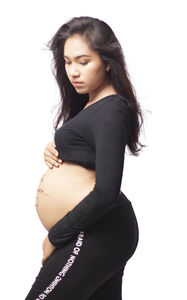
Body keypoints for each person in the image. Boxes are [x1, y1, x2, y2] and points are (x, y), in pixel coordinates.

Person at [25, 16, 145, 300]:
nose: (73, 71)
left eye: (83, 61)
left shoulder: (110, 110)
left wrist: (56, 236)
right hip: (100, 230)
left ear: (106, 61)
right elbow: (87, 155)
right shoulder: (93, 104)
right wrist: (55, 150)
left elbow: (105, 192)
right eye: (67, 62)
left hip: (99, 229)